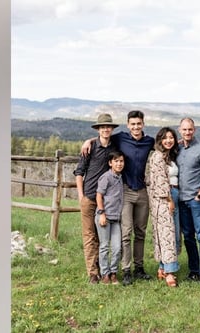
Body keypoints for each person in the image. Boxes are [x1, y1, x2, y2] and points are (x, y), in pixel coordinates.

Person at [82, 110, 155, 285]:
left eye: (139, 124)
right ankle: (126, 269)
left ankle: (139, 268)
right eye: (133, 124)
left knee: (141, 232)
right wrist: (89, 140)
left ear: (143, 124)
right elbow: (103, 137)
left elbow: (166, 144)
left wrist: (181, 142)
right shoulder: (121, 138)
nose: (136, 127)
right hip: (126, 191)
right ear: (128, 125)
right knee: (126, 232)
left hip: (142, 190)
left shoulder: (149, 141)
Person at [73, 113, 118, 284]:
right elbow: (79, 172)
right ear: (98, 129)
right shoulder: (90, 147)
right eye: (102, 127)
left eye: (108, 126)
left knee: (103, 237)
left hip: (107, 201)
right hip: (89, 197)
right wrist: (81, 196)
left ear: (112, 129)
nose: (106, 129)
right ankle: (93, 273)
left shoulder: (115, 146)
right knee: (89, 236)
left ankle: (104, 268)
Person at [176, 117, 200, 282]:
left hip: (197, 200)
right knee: (188, 236)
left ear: (195, 130)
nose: (187, 132)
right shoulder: (177, 149)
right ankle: (193, 269)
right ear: (180, 130)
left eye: (190, 129)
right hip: (182, 200)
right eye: (184, 129)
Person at [145, 127, 181, 287]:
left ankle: (162, 267)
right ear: (159, 140)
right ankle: (170, 272)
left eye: (171, 137)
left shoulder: (168, 155)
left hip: (174, 193)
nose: (168, 140)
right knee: (167, 235)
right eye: (165, 138)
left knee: (169, 233)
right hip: (164, 198)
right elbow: (160, 181)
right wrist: (169, 199)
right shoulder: (158, 156)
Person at [96, 151, 126, 285]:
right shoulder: (106, 177)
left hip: (116, 218)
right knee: (104, 246)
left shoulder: (120, 178)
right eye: (116, 161)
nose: (119, 164)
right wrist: (102, 213)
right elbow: (99, 195)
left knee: (117, 247)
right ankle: (105, 274)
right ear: (110, 163)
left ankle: (114, 272)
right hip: (105, 216)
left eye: (121, 161)